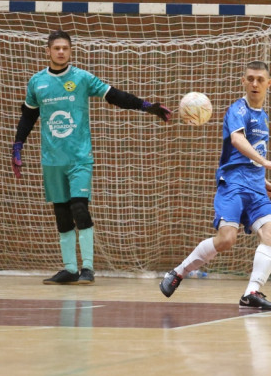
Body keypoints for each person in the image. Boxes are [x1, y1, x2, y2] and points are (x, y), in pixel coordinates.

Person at [12, 30, 172, 285]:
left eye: (65, 48)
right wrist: (18, 145)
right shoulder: (37, 82)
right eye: (56, 48)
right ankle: (69, 269)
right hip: (52, 160)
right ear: (48, 51)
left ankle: (87, 268)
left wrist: (145, 106)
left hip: (79, 158)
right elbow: (28, 116)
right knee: (62, 215)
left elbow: (115, 96)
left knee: (79, 207)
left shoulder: (82, 78)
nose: (61, 52)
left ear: (71, 51)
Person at [158, 61, 271, 309]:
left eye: (260, 79)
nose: (255, 83)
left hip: (255, 186)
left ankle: (252, 292)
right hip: (233, 185)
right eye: (250, 78)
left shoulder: (264, 117)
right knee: (227, 239)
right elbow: (238, 141)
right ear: (243, 81)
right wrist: (265, 162)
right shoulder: (237, 110)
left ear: (269, 83)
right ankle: (178, 272)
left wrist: (262, 176)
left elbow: (251, 152)